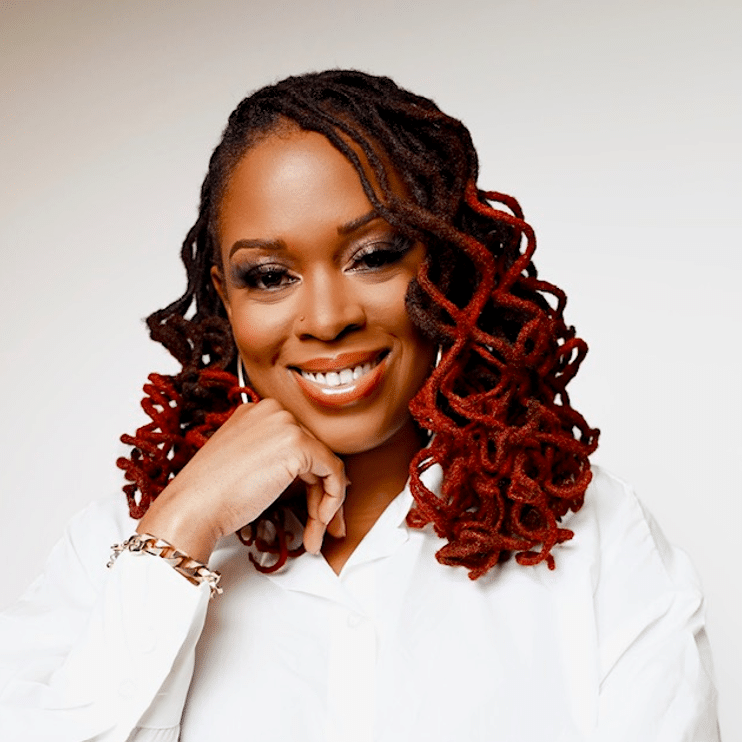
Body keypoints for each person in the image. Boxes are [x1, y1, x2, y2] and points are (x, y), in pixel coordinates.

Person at [0, 70, 719, 741]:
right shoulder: (109, 553)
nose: (327, 317)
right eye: (270, 275)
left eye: (374, 257)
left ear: (450, 265)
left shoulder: (595, 543)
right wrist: (183, 527)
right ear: (225, 299)